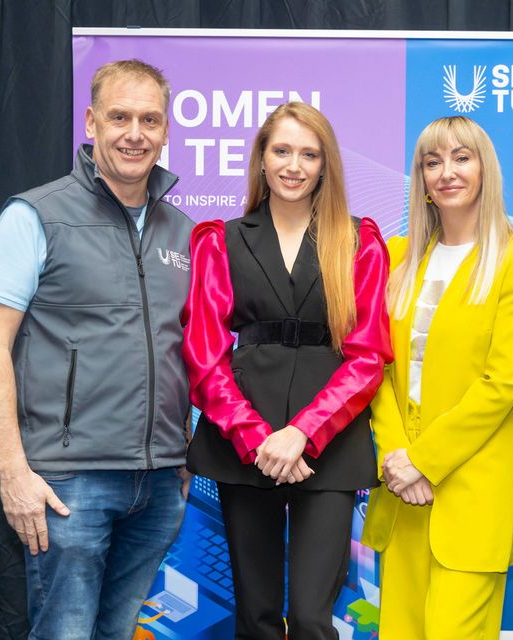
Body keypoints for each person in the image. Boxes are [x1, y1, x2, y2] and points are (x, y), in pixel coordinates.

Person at [0, 59, 193, 639]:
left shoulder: (184, 232)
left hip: (161, 482)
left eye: (150, 119)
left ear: (167, 131)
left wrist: (182, 453)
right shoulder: (35, 215)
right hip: (69, 483)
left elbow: (184, 351)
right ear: (91, 122)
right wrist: (13, 472)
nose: (135, 133)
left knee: (115, 634)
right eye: (119, 117)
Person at [181, 101, 391, 640]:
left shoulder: (360, 240)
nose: (294, 165)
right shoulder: (218, 240)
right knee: (255, 616)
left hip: (331, 443)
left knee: (312, 618)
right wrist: (258, 439)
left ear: (326, 164)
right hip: (242, 442)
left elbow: (368, 354)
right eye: (282, 151)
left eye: (309, 153)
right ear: (262, 158)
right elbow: (204, 357)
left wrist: (302, 434)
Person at [360, 116, 513, 639]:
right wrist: (398, 459)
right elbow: (376, 368)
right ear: (419, 178)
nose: (447, 172)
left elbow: (501, 384)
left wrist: (423, 461)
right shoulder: (396, 257)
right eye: (432, 161)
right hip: (400, 496)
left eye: (461, 158)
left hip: (469, 498)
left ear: (485, 168)